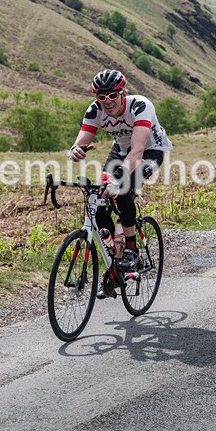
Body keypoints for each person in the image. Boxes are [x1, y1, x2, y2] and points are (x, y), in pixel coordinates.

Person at [68, 69, 172, 297]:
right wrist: (75, 150)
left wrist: (119, 179)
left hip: (149, 151)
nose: (107, 101)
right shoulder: (95, 110)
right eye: (101, 96)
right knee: (99, 202)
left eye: (112, 95)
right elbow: (80, 141)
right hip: (120, 151)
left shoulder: (140, 106)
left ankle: (131, 247)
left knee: (123, 190)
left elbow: (138, 150)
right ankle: (114, 263)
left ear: (123, 93)